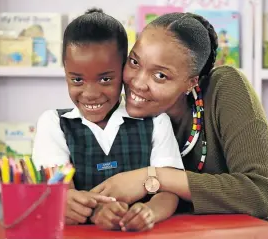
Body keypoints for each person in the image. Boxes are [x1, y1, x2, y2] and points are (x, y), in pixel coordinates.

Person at [91, 12, 268, 227]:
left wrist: (152, 178)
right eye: (134, 62)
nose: (138, 83)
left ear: (191, 82)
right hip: (194, 230)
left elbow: (260, 193)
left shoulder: (225, 87)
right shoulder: (120, 114)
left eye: (160, 76)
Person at [32, 9, 184, 231]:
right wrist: (87, 209)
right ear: (65, 72)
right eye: (77, 79)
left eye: (105, 79)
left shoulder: (155, 122)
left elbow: (170, 191)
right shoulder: (54, 124)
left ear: (124, 70)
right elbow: (61, 192)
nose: (91, 93)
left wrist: (150, 212)